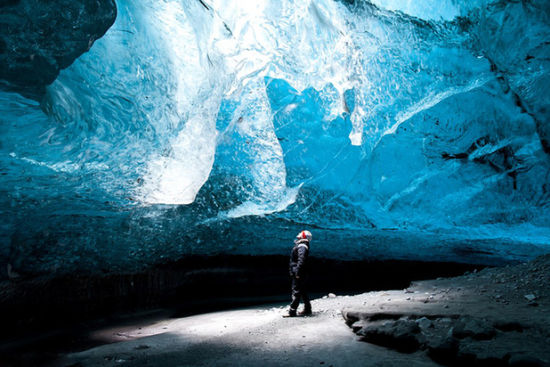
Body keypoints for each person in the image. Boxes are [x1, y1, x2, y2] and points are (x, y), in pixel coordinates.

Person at [285, 230, 312, 317]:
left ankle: (292, 312)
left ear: (304, 236)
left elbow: (301, 260)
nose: (299, 234)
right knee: (303, 291)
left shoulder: (302, 246)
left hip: (299, 273)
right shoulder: (303, 245)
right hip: (302, 272)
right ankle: (308, 309)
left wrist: (297, 272)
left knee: (296, 291)